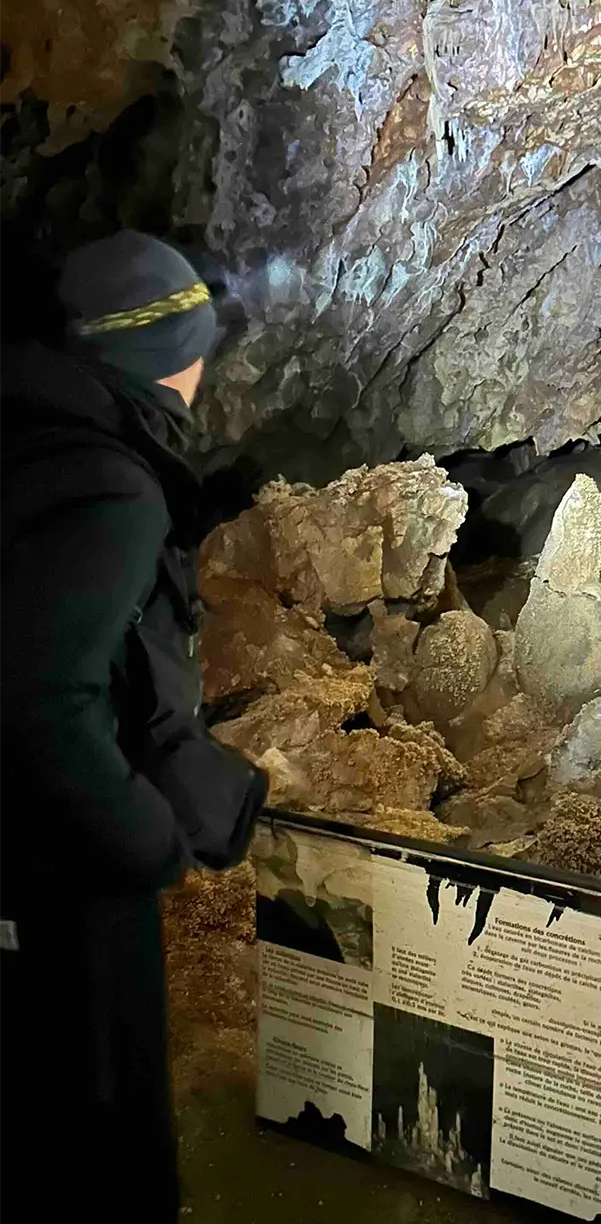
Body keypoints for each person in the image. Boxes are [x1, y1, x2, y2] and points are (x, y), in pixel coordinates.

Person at [0, 231, 268, 1221]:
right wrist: (146, 837)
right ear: (173, 357)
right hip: (67, 871)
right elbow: (38, 697)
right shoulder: (109, 484)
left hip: (29, 861)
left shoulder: (32, 436)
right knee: (101, 1134)